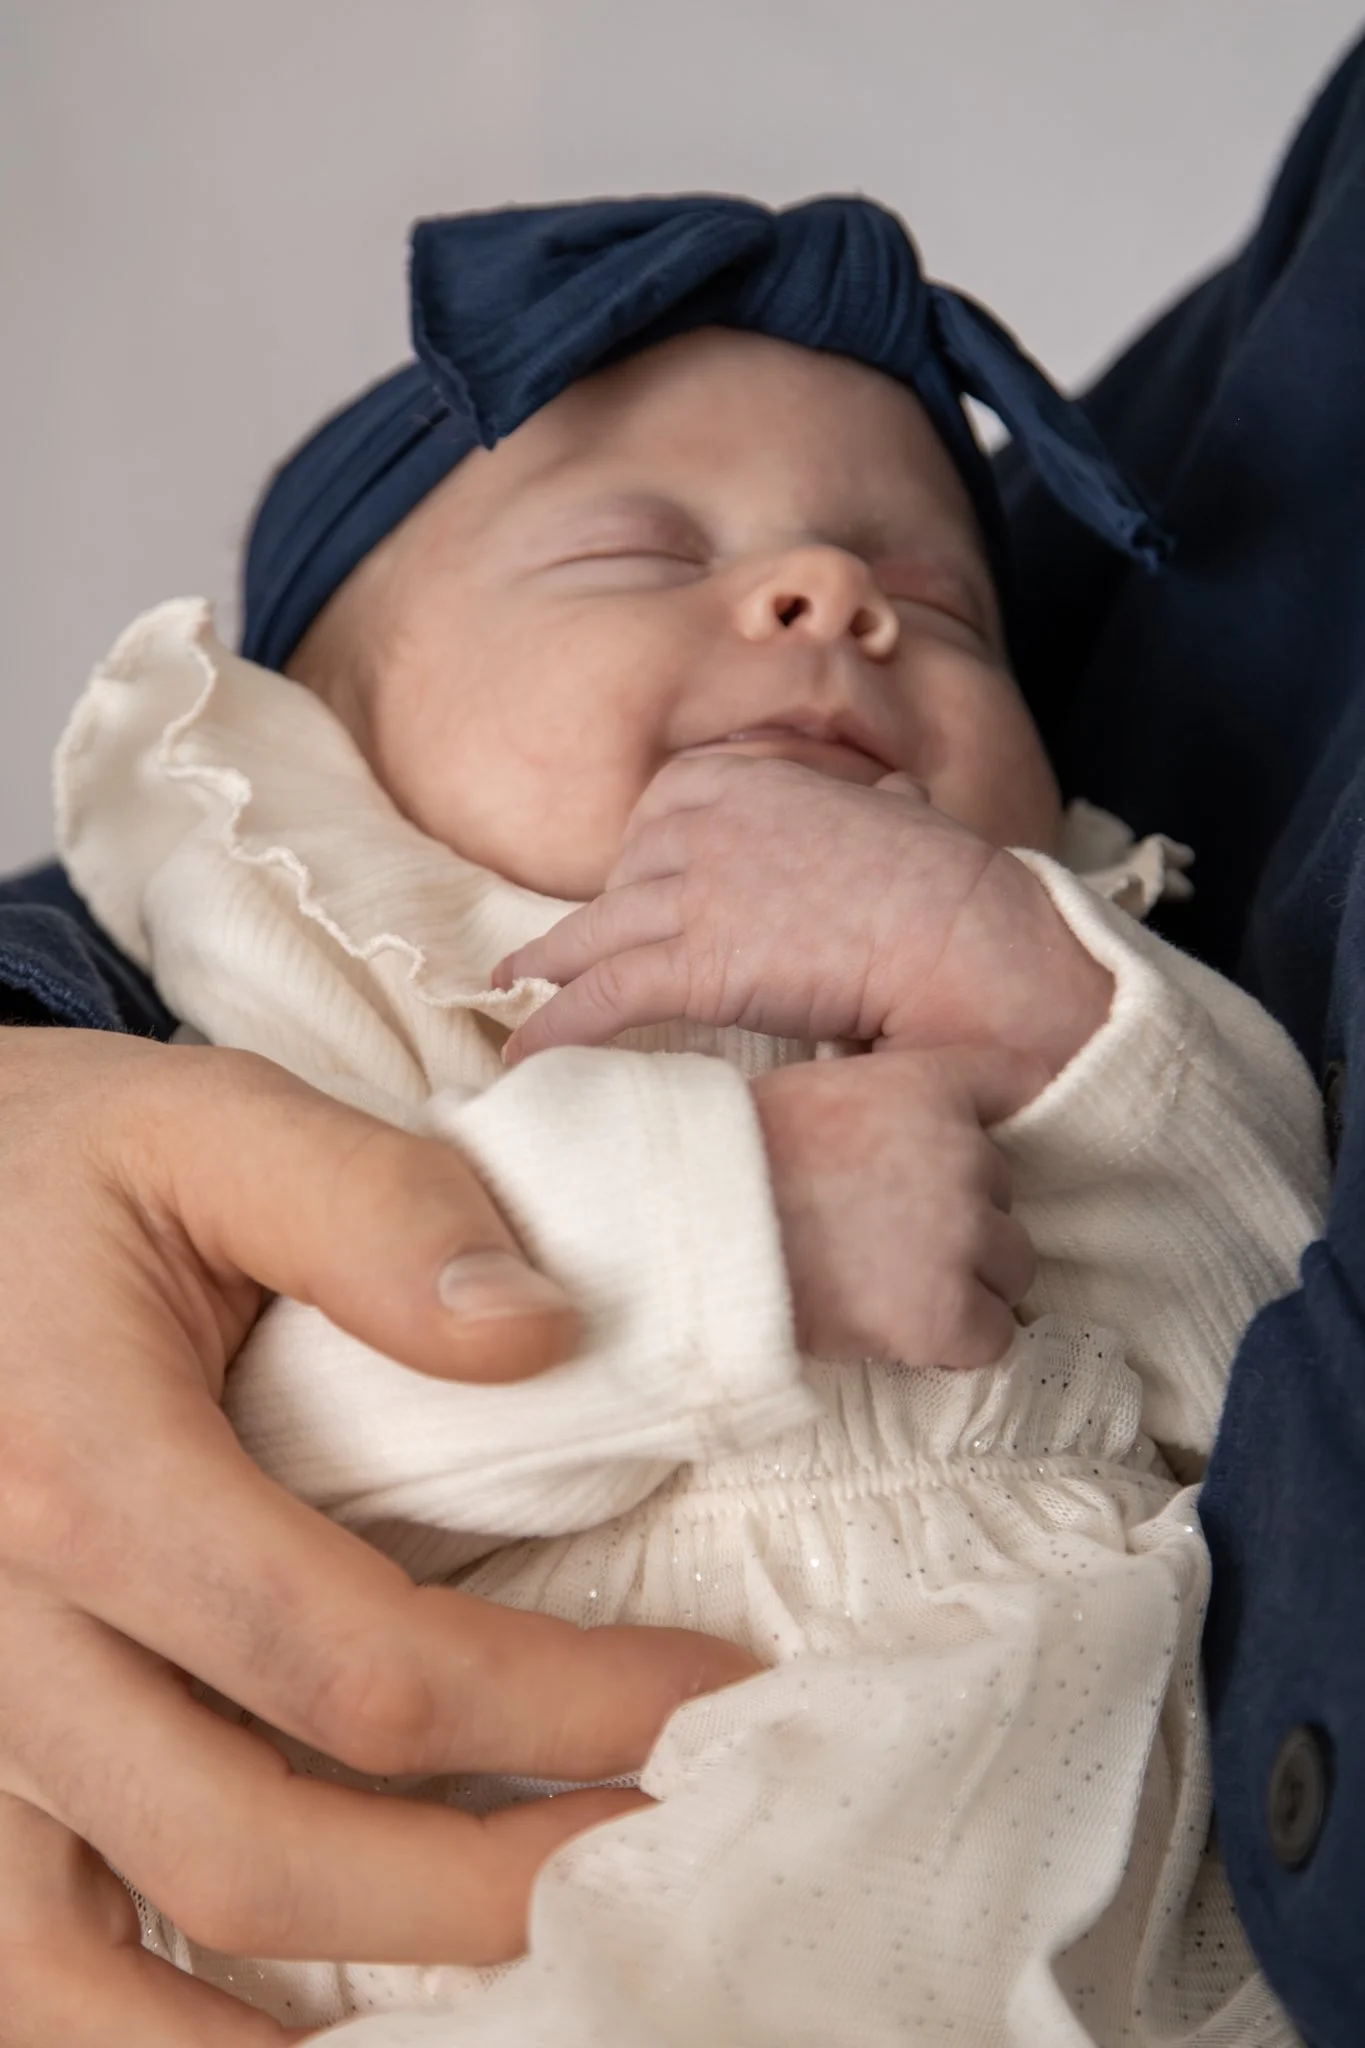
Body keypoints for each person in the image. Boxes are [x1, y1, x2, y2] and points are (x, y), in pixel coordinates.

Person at [2, 32, 1365, 2047]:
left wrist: (1074, 1017)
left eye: (942, 604)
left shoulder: (1065, 973)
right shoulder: (335, 998)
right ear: (332, 755)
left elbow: (1249, 1330)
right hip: (497, 1922)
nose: (832, 595)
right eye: (645, 556)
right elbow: (210, 1465)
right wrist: (726, 1230)